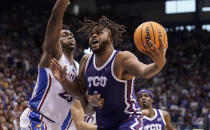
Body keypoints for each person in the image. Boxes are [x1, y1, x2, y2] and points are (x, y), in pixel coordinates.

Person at [50, 16, 167, 130]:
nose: (94, 35)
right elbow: (80, 93)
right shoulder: (86, 61)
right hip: (104, 125)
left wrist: (158, 64)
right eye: (91, 35)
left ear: (110, 38)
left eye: (99, 32)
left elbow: (145, 71)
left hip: (128, 120)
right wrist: (64, 80)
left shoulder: (122, 59)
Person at [20, 0, 95, 129]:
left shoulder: (78, 68)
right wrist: (63, 4)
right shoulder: (52, 56)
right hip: (37, 118)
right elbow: (56, 15)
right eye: (64, 35)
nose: (70, 36)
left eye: (71, 35)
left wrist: (93, 103)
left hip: (56, 125)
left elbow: (87, 109)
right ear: (57, 41)